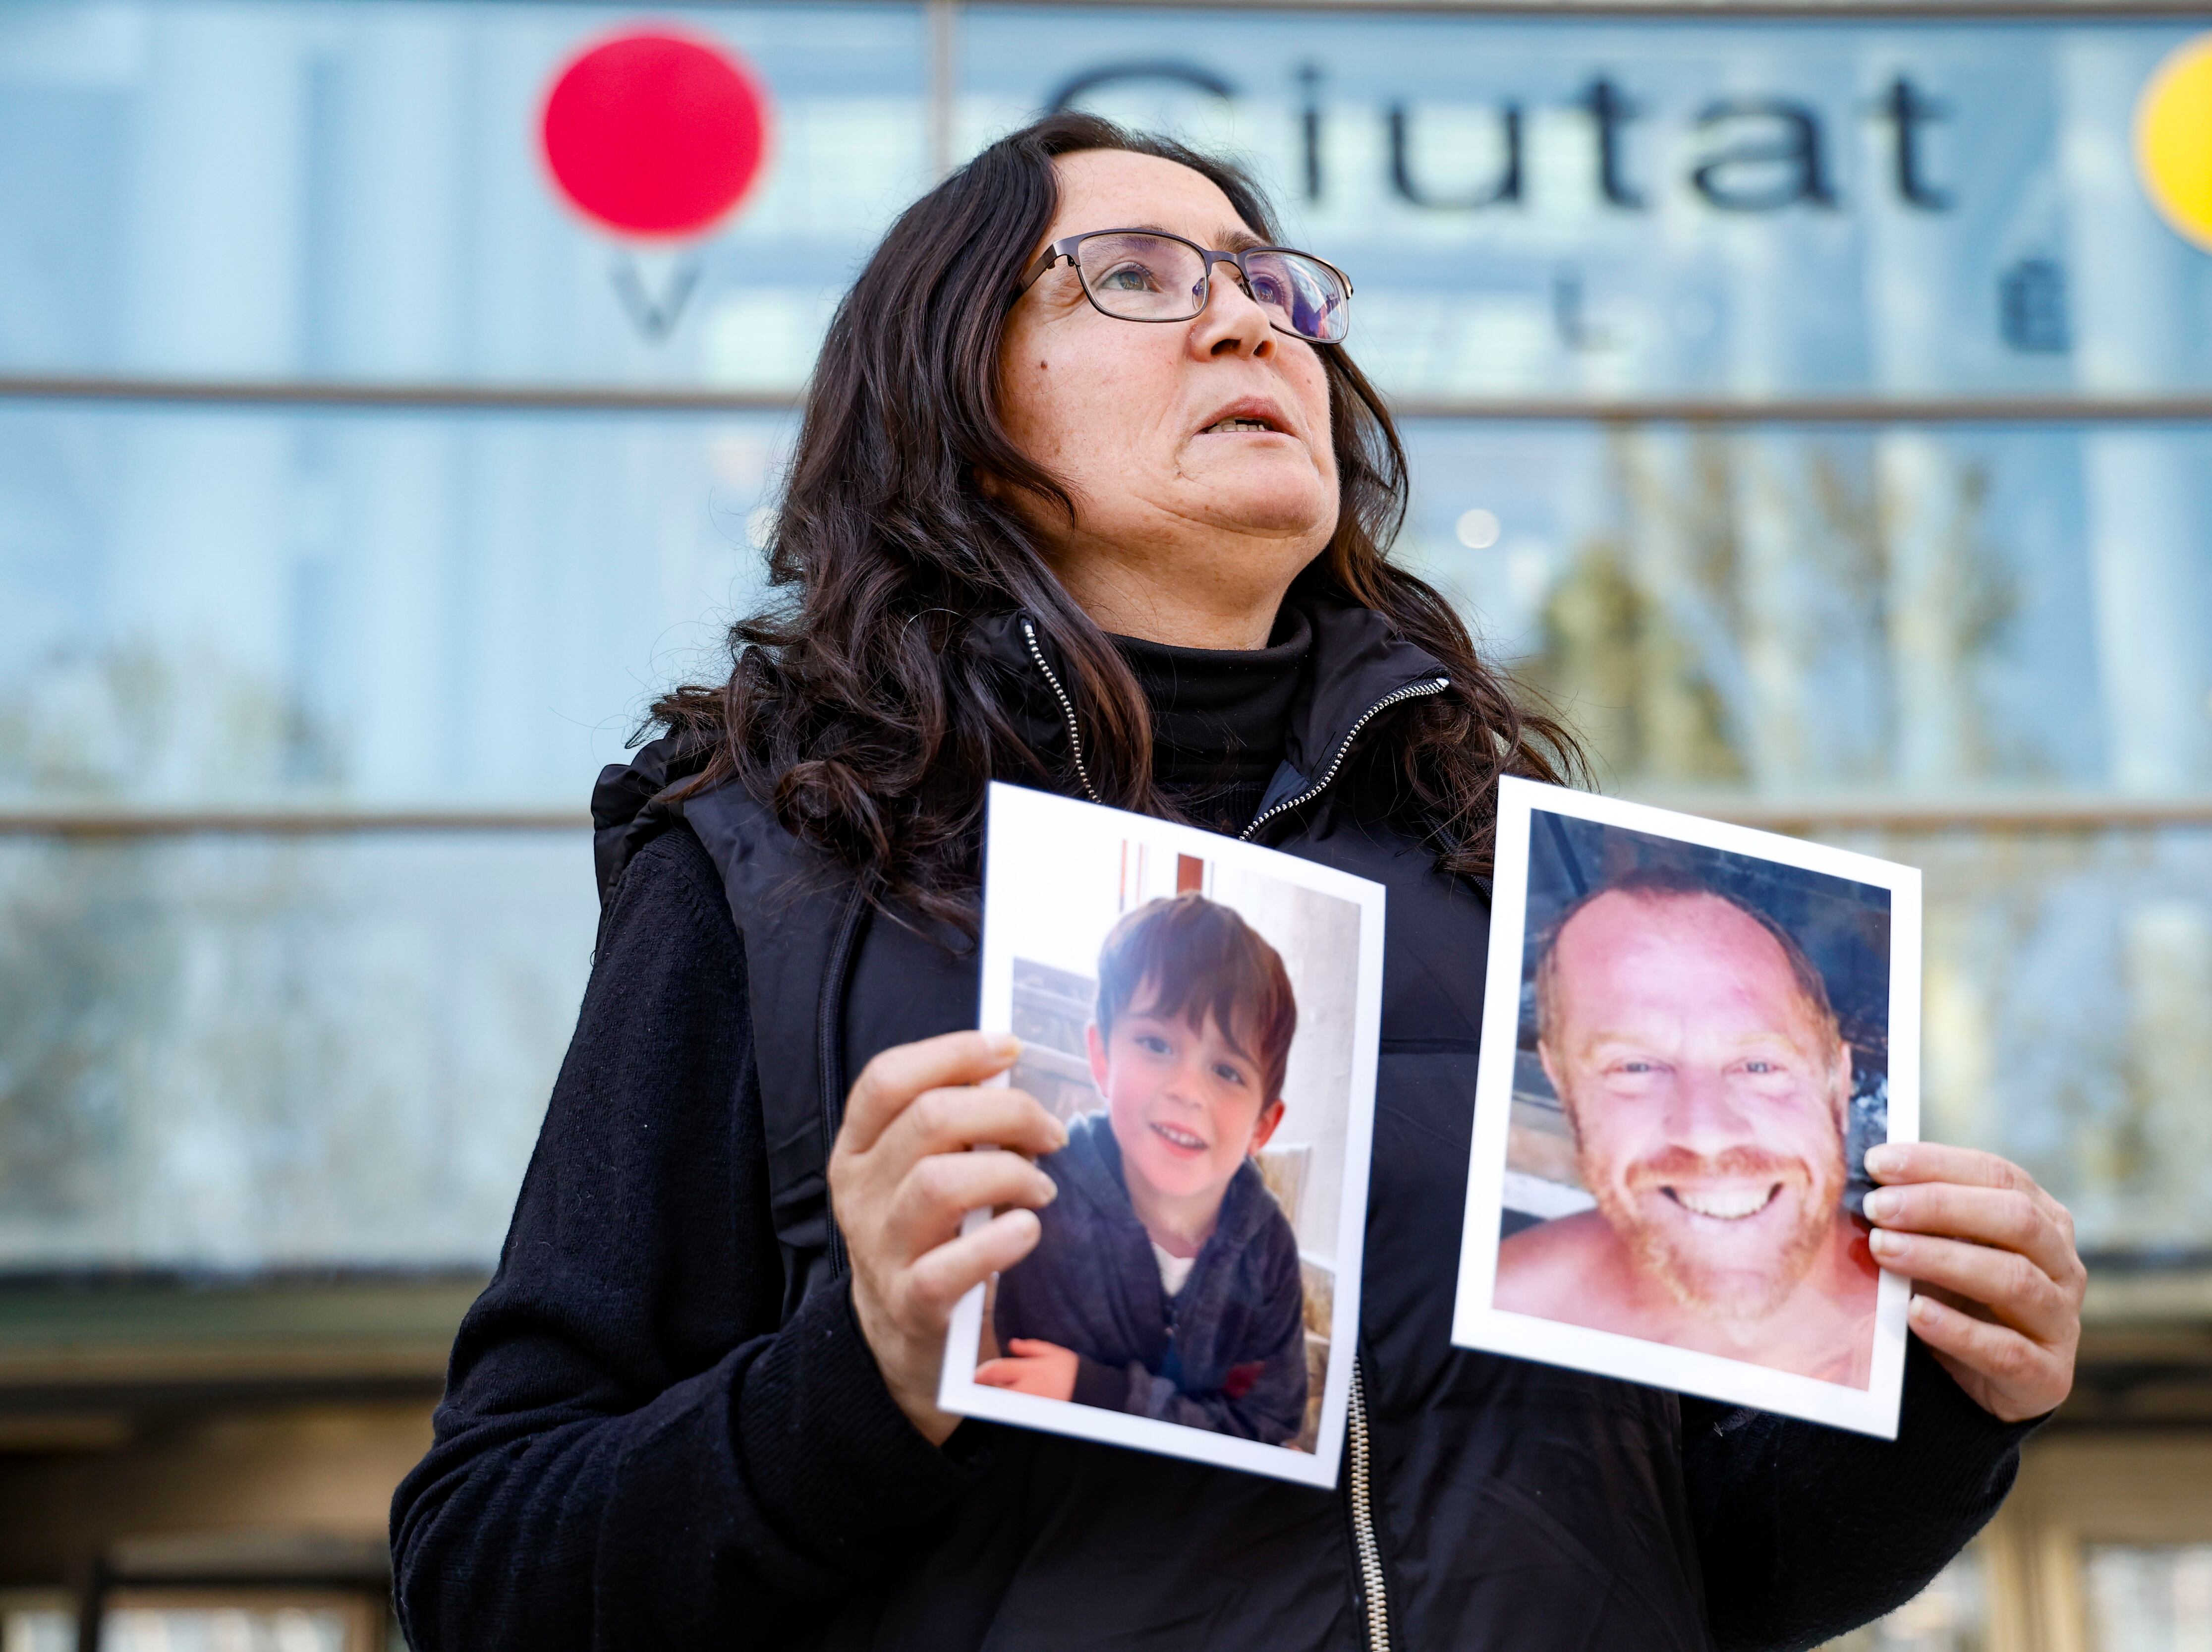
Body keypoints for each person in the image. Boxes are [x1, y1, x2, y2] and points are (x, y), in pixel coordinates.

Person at [390, 112, 2088, 1652]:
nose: (1245, 315)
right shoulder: (766, 874)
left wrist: (1940, 1399)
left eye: (1270, 283)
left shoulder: (1515, 889)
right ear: (959, 413)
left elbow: (1705, 1565)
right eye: (1135, 276)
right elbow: (485, 1572)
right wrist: (861, 1384)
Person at [1497, 868, 1885, 1387]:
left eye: (1757, 1065)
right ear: (1561, 1084)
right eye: (1634, 1067)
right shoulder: (1502, 1313)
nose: (1705, 1135)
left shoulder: (1928, 1333)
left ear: (1836, 1086)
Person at [976, 892, 1308, 1444]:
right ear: (1101, 1059)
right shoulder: (1047, 1202)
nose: (1187, 1091)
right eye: (1155, 1043)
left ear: (1261, 1128)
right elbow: (1036, 1403)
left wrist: (1098, 1392)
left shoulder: (1268, 1249)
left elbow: (1267, 1422)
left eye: (1227, 1072)